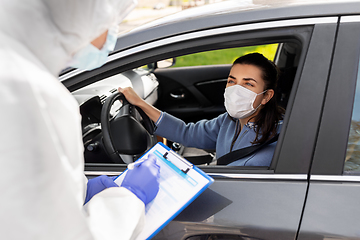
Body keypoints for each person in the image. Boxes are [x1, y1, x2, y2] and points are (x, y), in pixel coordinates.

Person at [0, 0, 160, 239]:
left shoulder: (15, 71)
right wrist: (130, 198)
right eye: (110, 22)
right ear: (84, 17)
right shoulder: (26, 93)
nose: (110, 35)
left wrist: (79, 189)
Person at [119, 53, 284, 166]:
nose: (236, 89)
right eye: (232, 81)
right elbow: (187, 133)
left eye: (248, 84)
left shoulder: (280, 139)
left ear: (266, 96)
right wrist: (140, 103)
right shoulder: (228, 121)